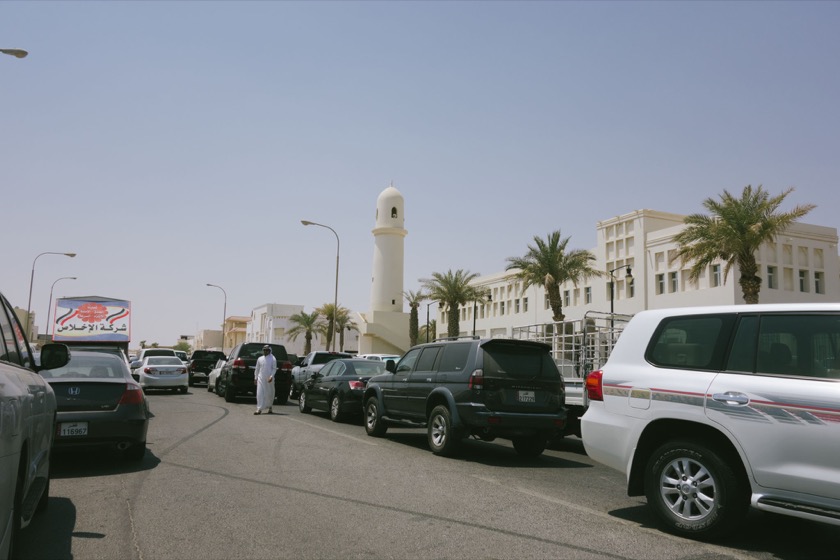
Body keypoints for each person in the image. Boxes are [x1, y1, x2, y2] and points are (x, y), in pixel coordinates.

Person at [254, 345, 277, 415]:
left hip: (269, 379)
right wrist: (255, 378)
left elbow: (274, 369)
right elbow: (257, 369)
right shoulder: (260, 359)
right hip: (261, 379)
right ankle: (259, 409)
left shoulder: (273, 359)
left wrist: (271, 376)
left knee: (269, 393)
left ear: (269, 351)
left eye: (267, 350)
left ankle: (270, 407)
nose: (265, 351)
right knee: (259, 393)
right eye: (264, 350)